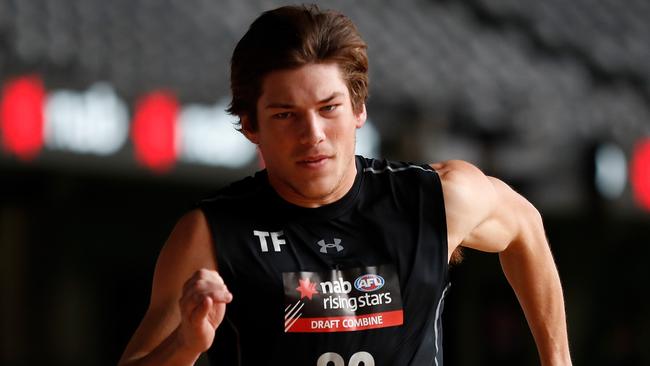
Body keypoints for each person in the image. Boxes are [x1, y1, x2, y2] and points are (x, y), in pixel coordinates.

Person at [118, 5, 571, 366]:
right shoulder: (210, 234)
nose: (312, 133)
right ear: (251, 125)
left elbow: (524, 226)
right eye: (285, 115)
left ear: (358, 109)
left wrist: (558, 360)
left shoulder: (436, 199)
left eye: (329, 107)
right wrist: (186, 343)